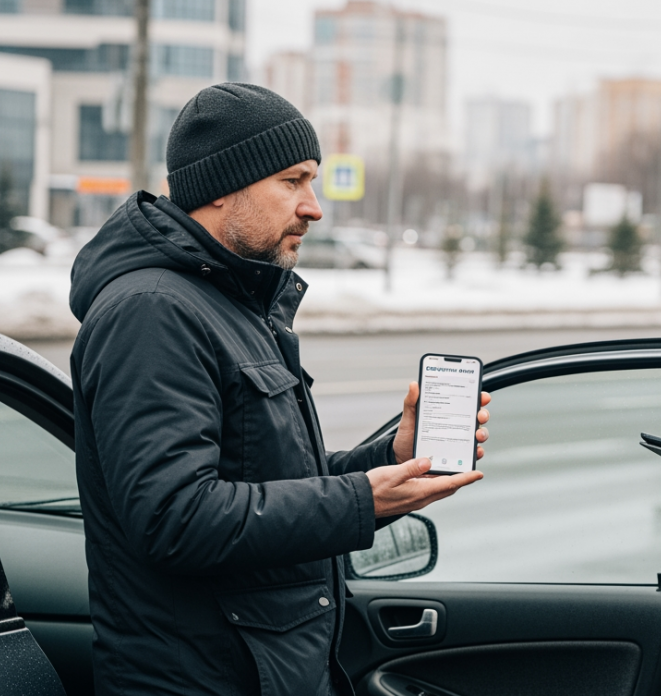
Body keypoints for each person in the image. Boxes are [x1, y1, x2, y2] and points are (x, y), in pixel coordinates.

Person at [68, 83, 490, 695]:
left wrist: (389, 461)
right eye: (293, 182)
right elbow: (173, 517)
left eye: (312, 182)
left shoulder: (230, 302)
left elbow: (259, 479)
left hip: (261, 670)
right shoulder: (153, 311)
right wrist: (360, 502)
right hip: (202, 681)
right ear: (223, 186)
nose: (314, 206)